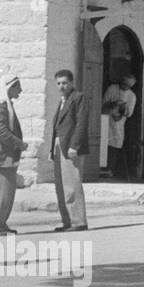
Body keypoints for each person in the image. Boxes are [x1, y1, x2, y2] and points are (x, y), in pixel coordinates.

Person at [49, 68, 90, 231]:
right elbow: (57, 126)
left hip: (71, 145)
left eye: (65, 83)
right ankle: (67, 221)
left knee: (72, 184)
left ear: (71, 83)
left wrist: (75, 146)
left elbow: (81, 124)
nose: (61, 86)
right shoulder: (62, 100)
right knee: (60, 185)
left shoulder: (78, 98)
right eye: (58, 83)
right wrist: (52, 148)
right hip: (59, 145)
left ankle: (78, 221)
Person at [0, 73, 26, 237]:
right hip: (2, 158)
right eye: (18, 86)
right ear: (9, 87)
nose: (21, 90)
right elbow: (0, 131)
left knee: (5, 194)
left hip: (6, 157)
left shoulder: (6, 106)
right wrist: (19, 144)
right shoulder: (0, 107)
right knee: (1, 194)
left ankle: (0, 224)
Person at [101, 73, 138, 180]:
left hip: (119, 123)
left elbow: (129, 113)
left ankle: (110, 169)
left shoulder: (132, 96)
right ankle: (102, 167)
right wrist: (113, 103)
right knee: (104, 142)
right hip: (106, 119)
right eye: (123, 83)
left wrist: (122, 107)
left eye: (127, 85)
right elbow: (104, 103)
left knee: (115, 143)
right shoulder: (112, 88)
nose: (124, 86)